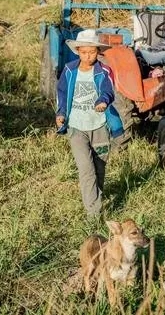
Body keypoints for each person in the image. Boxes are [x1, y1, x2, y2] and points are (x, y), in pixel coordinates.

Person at [55, 29, 125, 218]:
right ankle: (93, 215)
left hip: (100, 127)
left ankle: (96, 196)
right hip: (76, 128)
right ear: (77, 50)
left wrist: (103, 100)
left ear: (98, 52)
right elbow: (61, 93)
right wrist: (61, 113)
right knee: (86, 170)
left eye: (92, 52)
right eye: (84, 52)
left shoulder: (104, 71)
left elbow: (108, 90)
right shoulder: (70, 70)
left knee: (99, 167)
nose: (88, 56)